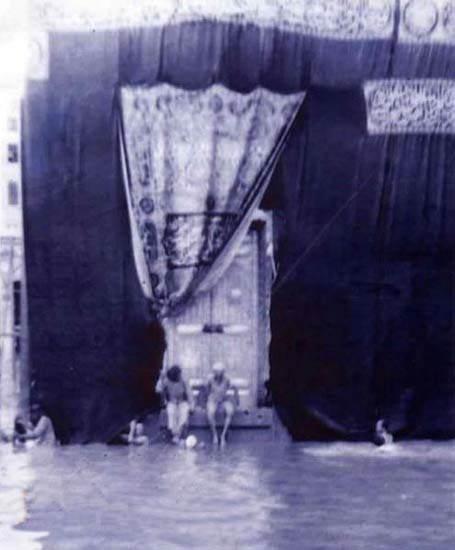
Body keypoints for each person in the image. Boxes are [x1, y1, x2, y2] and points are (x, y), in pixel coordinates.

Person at [156, 365, 194, 444]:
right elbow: (158, 389)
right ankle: (175, 435)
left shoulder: (184, 380)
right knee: (171, 412)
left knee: (184, 412)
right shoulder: (167, 381)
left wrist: (192, 405)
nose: (180, 375)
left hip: (182, 401)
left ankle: (179, 434)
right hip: (172, 402)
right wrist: (161, 379)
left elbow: (189, 393)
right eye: (178, 374)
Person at [206, 362, 239, 447]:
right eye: (216, 371)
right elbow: (206, 390)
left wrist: (236, 400)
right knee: (210, 412)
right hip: (213, 400)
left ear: (223, 372)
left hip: (224, 399)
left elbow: (233, 388)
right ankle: (214, 435)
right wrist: (209, 399)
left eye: (220, 371)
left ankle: (223, 435)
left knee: (230, 411)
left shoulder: (227, 379)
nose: (218, 373)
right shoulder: (210, 379)